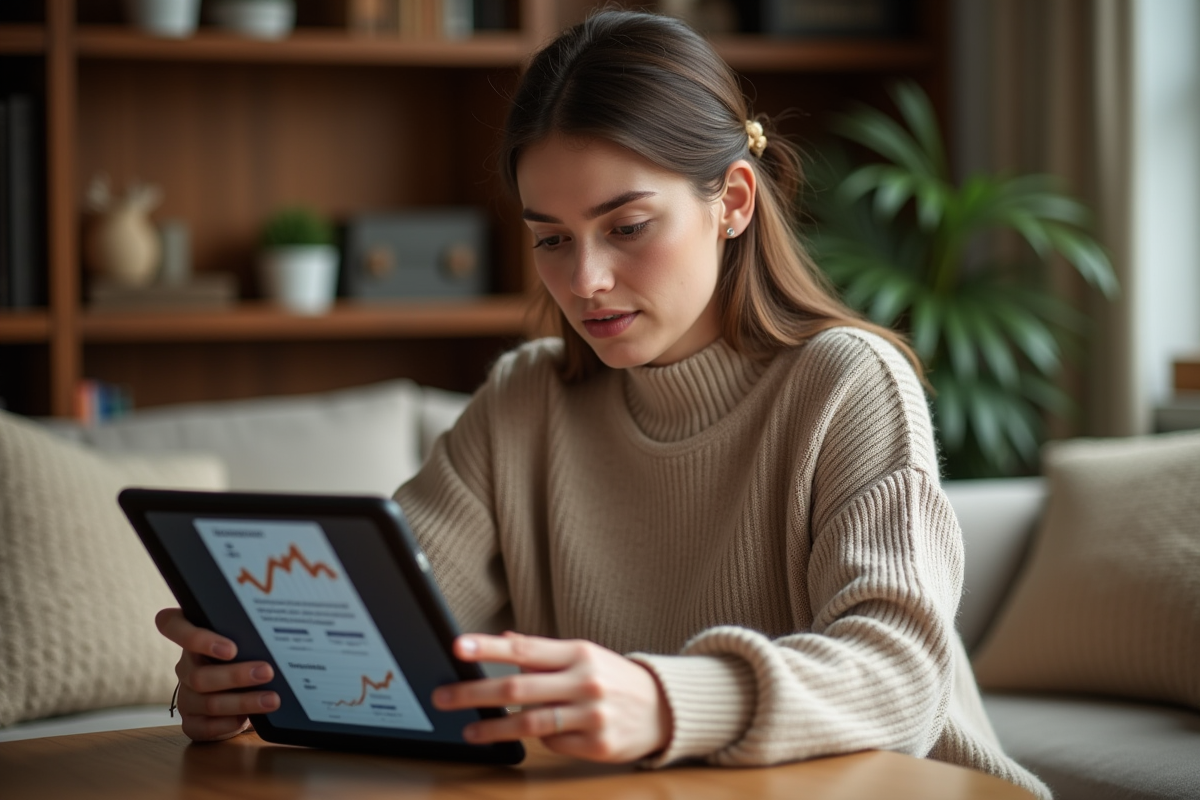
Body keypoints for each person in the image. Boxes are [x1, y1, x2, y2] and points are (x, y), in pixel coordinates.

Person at [155, 10, 1049, 798]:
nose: (584, 282)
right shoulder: (526, 400)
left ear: (732, 200)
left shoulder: (847, 383)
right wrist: (253, 683)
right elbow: (393, 628)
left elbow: (901, 677)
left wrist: (664, 702)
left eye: (626, 227)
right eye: (551, 238)